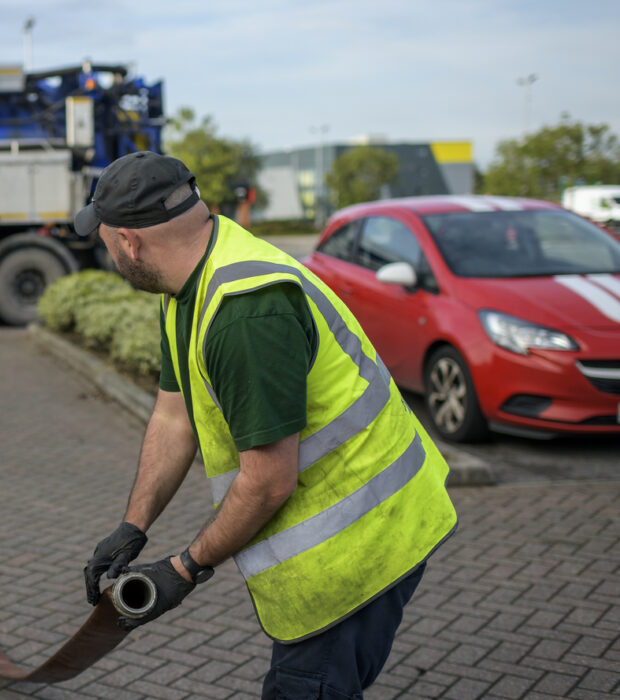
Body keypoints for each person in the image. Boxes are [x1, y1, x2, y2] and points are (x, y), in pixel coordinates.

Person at [74, 151, 457, 699]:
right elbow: (173, 415)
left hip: (363, 540)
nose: (108, 251)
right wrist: (133, 527)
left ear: (131, 243)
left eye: (106, 240)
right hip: (343, 532)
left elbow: (268, 480)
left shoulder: (245, 314)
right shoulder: (187, 283)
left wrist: (182, 570)